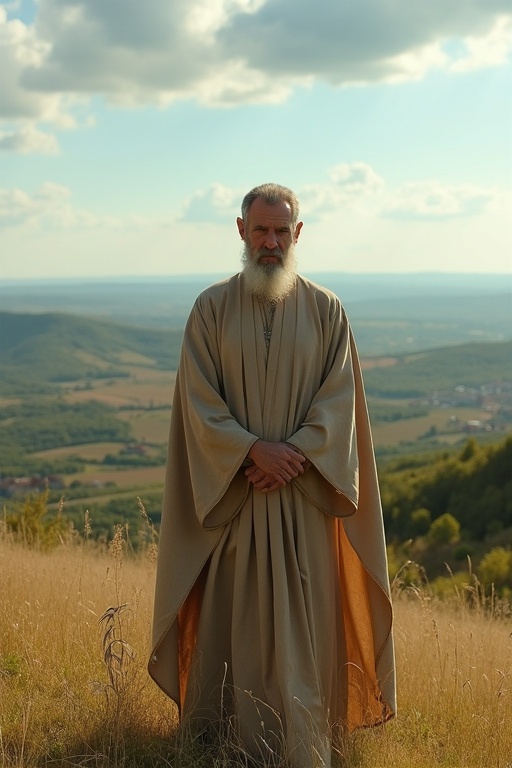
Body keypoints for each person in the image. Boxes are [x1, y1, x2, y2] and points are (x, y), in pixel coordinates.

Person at [149, 183, 396, 767]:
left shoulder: (327, 310)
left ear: (298, 234)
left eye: (281, 231)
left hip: (304, 504)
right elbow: (198, 404)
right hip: (235, 502)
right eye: (260, 231)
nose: (270, 242)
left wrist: (294, 454)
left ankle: (307, 749)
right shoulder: (209, 309)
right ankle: (225, 746)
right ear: (241, 231)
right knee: (233, 633)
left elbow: (340, 403)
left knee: (307, 638)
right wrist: (250, 451)